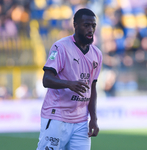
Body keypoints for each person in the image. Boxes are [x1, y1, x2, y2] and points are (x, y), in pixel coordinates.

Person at [36, 8, 103, 150]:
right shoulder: (61, 47)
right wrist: (69, 84)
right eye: (86, 25)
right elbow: (46, 79)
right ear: (75, 25)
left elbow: (93, 88)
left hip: (81, 121)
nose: (90, 29)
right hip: (57, 117)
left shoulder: (97, 54)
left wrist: (94, 118)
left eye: (93, 25)